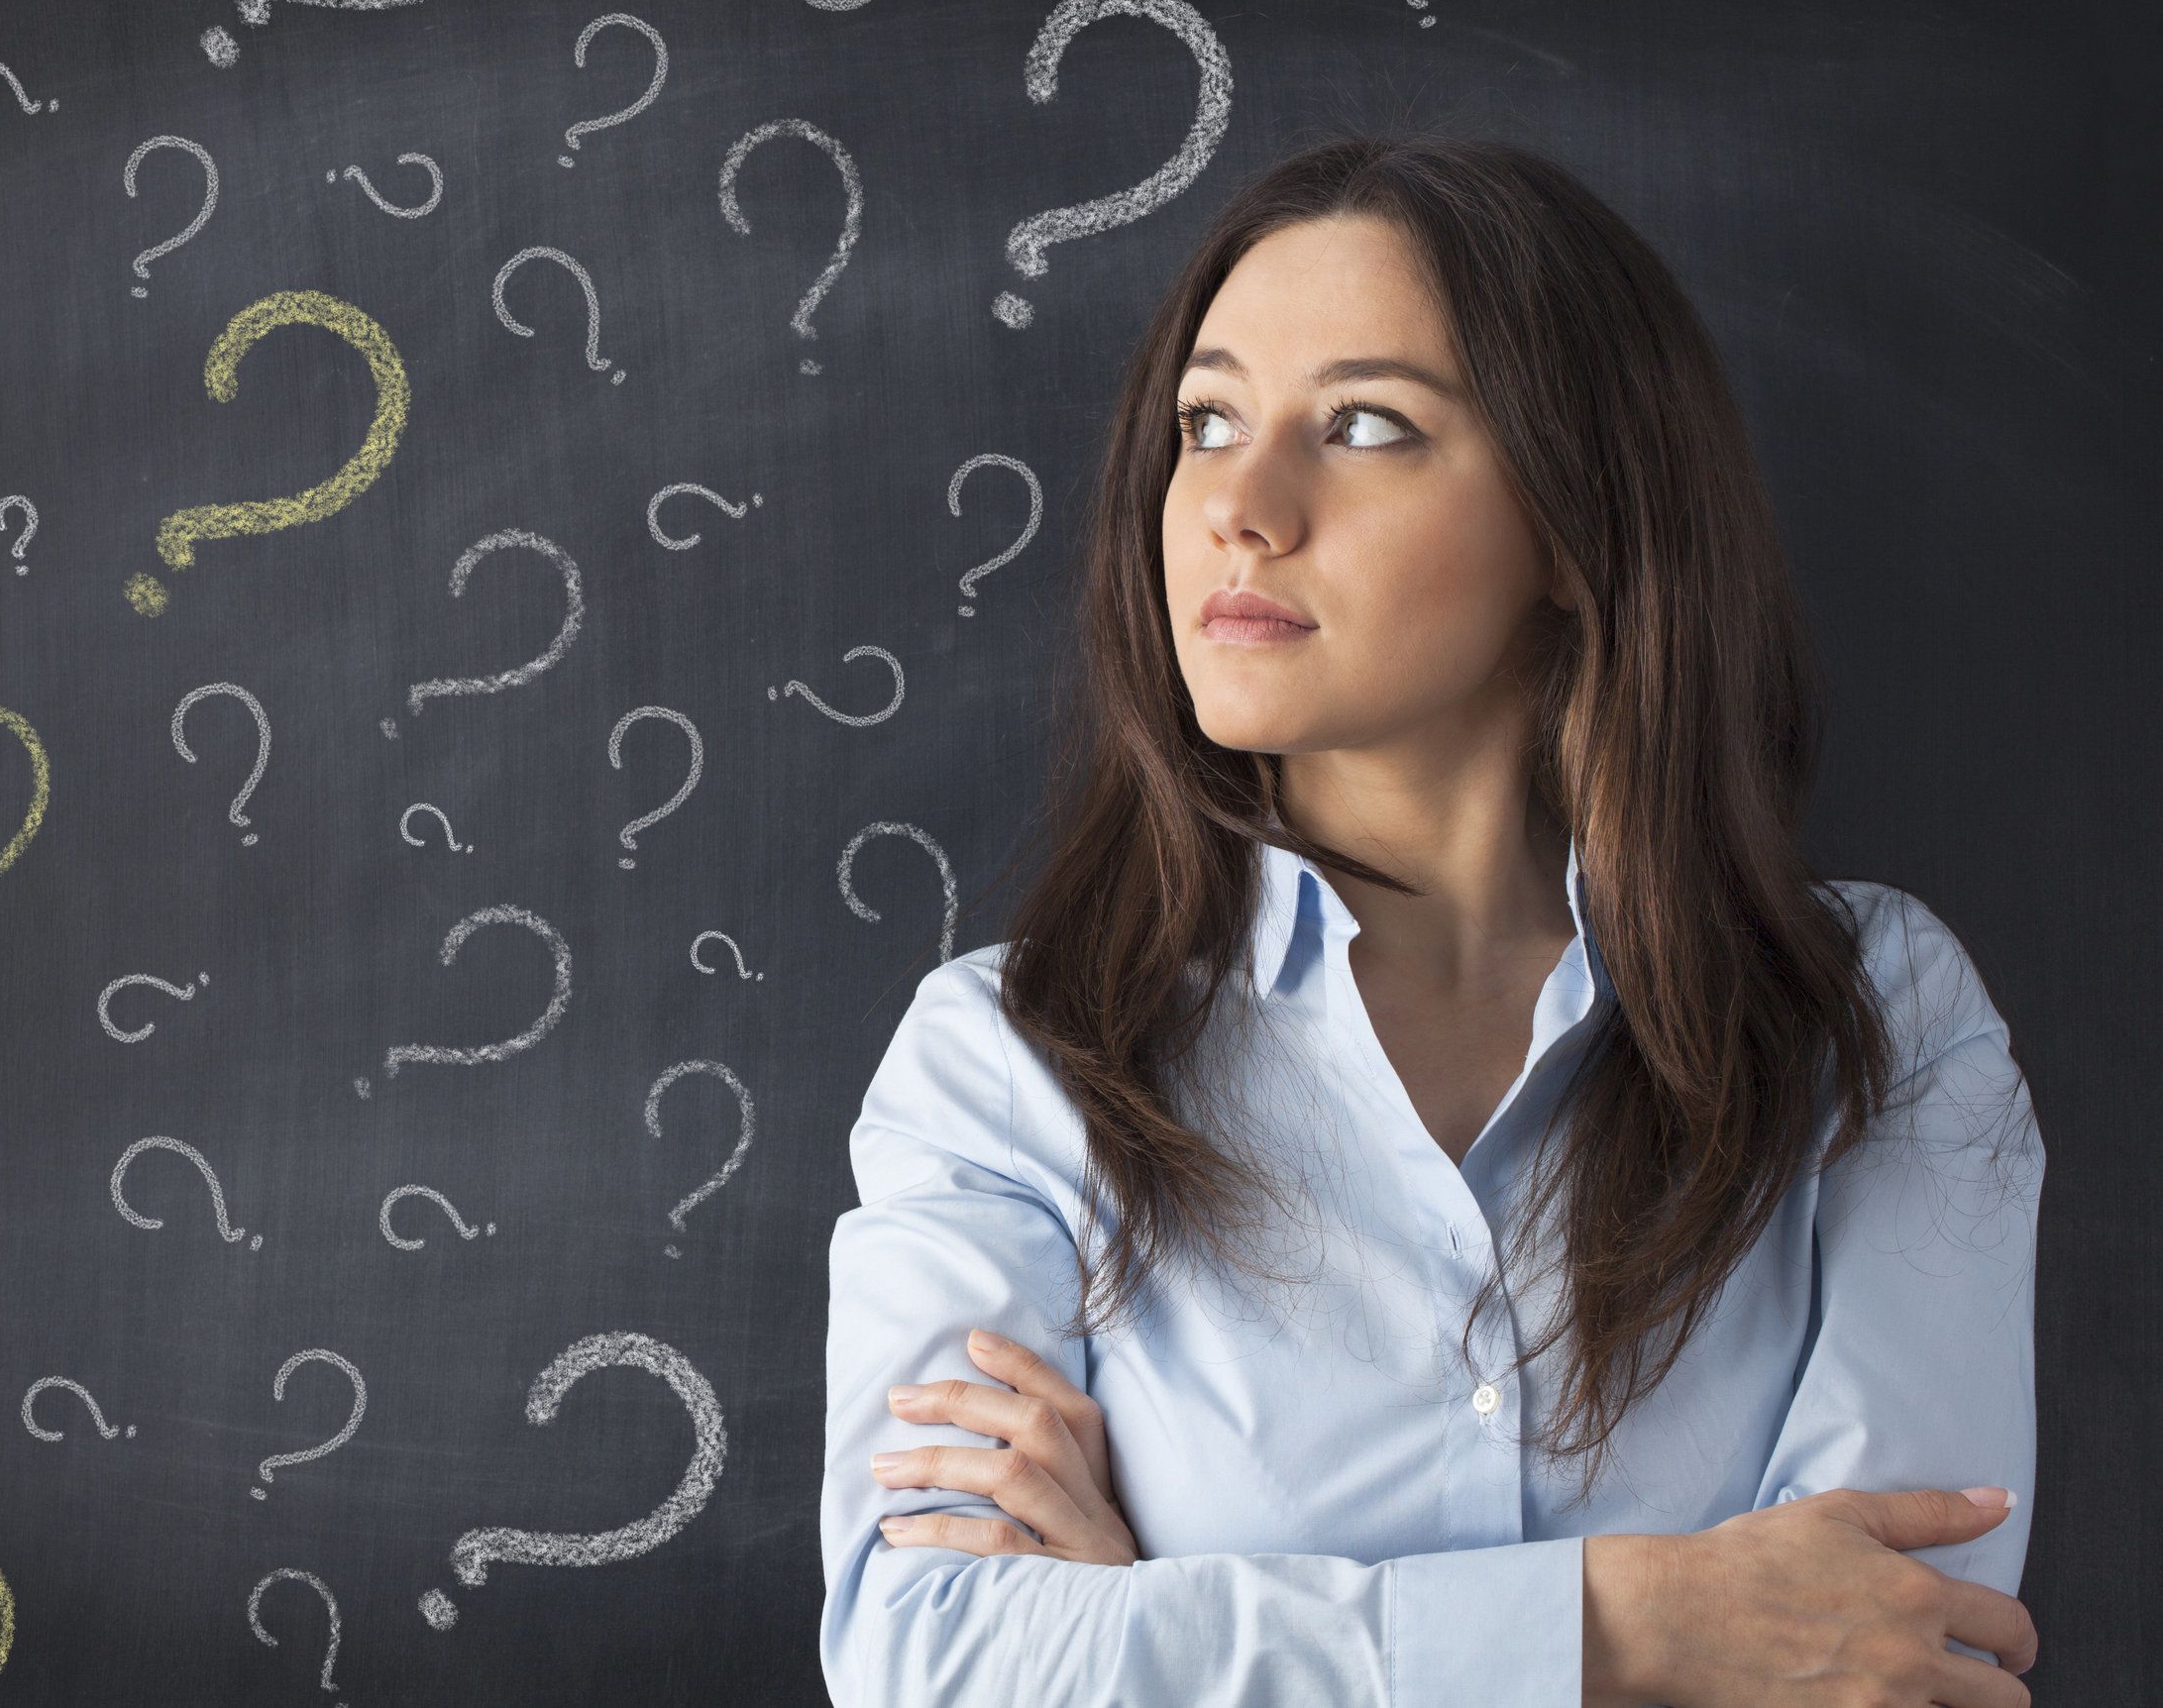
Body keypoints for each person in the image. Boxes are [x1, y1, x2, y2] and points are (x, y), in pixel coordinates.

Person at [817, 135, 2043, 1707]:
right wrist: (1635, 1628)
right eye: (1205, 422)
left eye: (1365, 425)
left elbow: (1894, 1661)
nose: (1238, 511)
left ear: (1573, 518)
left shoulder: (1873, 1018)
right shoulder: (1006, 1062)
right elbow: (929, 1663)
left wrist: (1155, 1624)